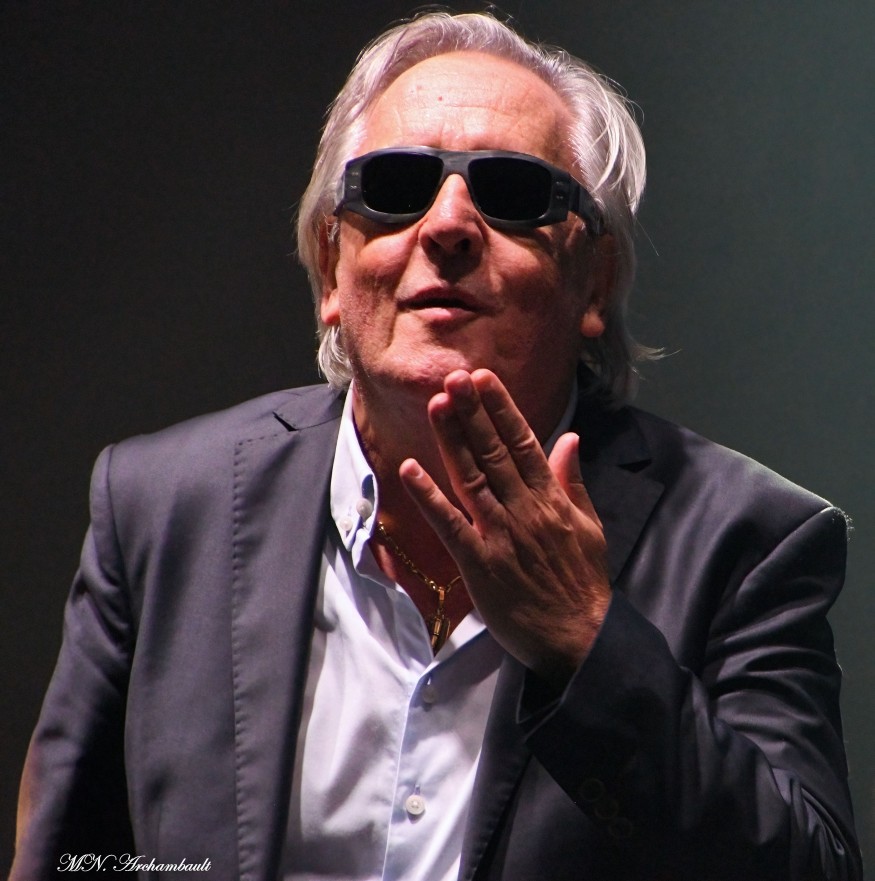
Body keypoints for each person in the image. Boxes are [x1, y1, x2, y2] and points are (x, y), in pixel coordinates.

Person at [11, 11, 862, 881]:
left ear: (593, 281)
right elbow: (68, 858)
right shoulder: (160, 506)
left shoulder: (748, 541)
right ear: (330, 264)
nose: (447, 223)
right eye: (394, 185)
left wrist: (588, 641)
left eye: (513, 192)